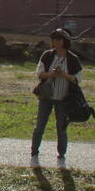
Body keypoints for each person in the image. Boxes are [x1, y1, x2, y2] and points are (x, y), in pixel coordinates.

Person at [30, 28, 82, 163]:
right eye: (54, 39)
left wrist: (64, 75)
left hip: (63, 99)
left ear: (65, 41)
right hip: (46, 97)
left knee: (61, 128)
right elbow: (40, 74)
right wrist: (52, 74)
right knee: (39, 126)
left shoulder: (72, 59)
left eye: (59, 39)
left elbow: (77, 80)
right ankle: (34, 152)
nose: (56, 42)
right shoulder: (47, 55)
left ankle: (61, 154)